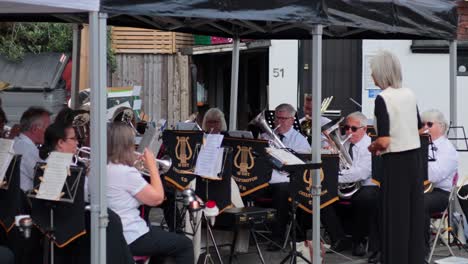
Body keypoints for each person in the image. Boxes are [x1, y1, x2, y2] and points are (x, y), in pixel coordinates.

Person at [107, 122, 194, 264]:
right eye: (132, 143)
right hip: (131, 236)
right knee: (185, 245)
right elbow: (158, 198)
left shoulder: (96, 169)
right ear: (125, 145)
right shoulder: (126, 173)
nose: (135, 147)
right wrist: (153, 167)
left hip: (111, 236)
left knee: (161, 247)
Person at [367, 50, 424, 264]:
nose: (372, 76)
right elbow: (418, 128)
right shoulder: (409, 94)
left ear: (381, 74)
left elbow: (384, 140)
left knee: (394, 217)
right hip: (414, 161)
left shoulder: (383, 99)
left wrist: (371, 148)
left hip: (395, 163)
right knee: (412, 215)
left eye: (373, 72)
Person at [323, 112, 378, 258]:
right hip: (346, 183)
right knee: (320, 196)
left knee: (363, 199)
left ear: (364, 129)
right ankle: (339, 238)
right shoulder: (344, 143)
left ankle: (358, 241)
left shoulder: (370, 145)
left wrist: (334, 178)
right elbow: (338, 167)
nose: (348, 132)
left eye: (353, 129)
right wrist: (329, 155)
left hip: (367, 185)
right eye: (346, 128)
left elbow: (361, 173)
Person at [261, 103, 311, 247]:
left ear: (291, 120)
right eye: (277, 118)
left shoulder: (300, 140)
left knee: (282, 192)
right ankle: (245, 234)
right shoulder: (265, 136)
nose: (280, 122)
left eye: (284, 119)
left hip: (286, 180)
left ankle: (278, 237)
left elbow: (302, 166)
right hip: (266, 179)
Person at [421, 110, 458, 257]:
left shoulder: (448, 149)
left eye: (429, 124)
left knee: (419, 203)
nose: (425, 127)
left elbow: (435, 175)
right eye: (422, 124)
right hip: (420, 189)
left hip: (439, 193)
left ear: (442, 127)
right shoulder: (420, 144)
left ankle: (421, 252)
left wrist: (417, 162)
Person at [13, 107, 51, 192]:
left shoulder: (18, 142)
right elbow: (45, 178)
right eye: (47, 128)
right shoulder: (26, 148)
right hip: (25, 202)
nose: (50, 132)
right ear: (34, 129)